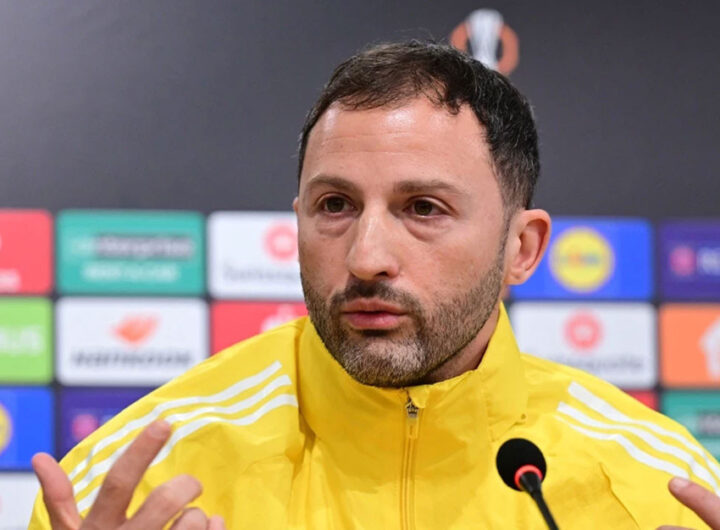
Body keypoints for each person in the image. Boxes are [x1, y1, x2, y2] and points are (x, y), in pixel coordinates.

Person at [28, 41, 720, 529]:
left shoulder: (660, 490)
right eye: (335, 205)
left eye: (424, 208)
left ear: (522, 248)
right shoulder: (132, 489)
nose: (367, 258)